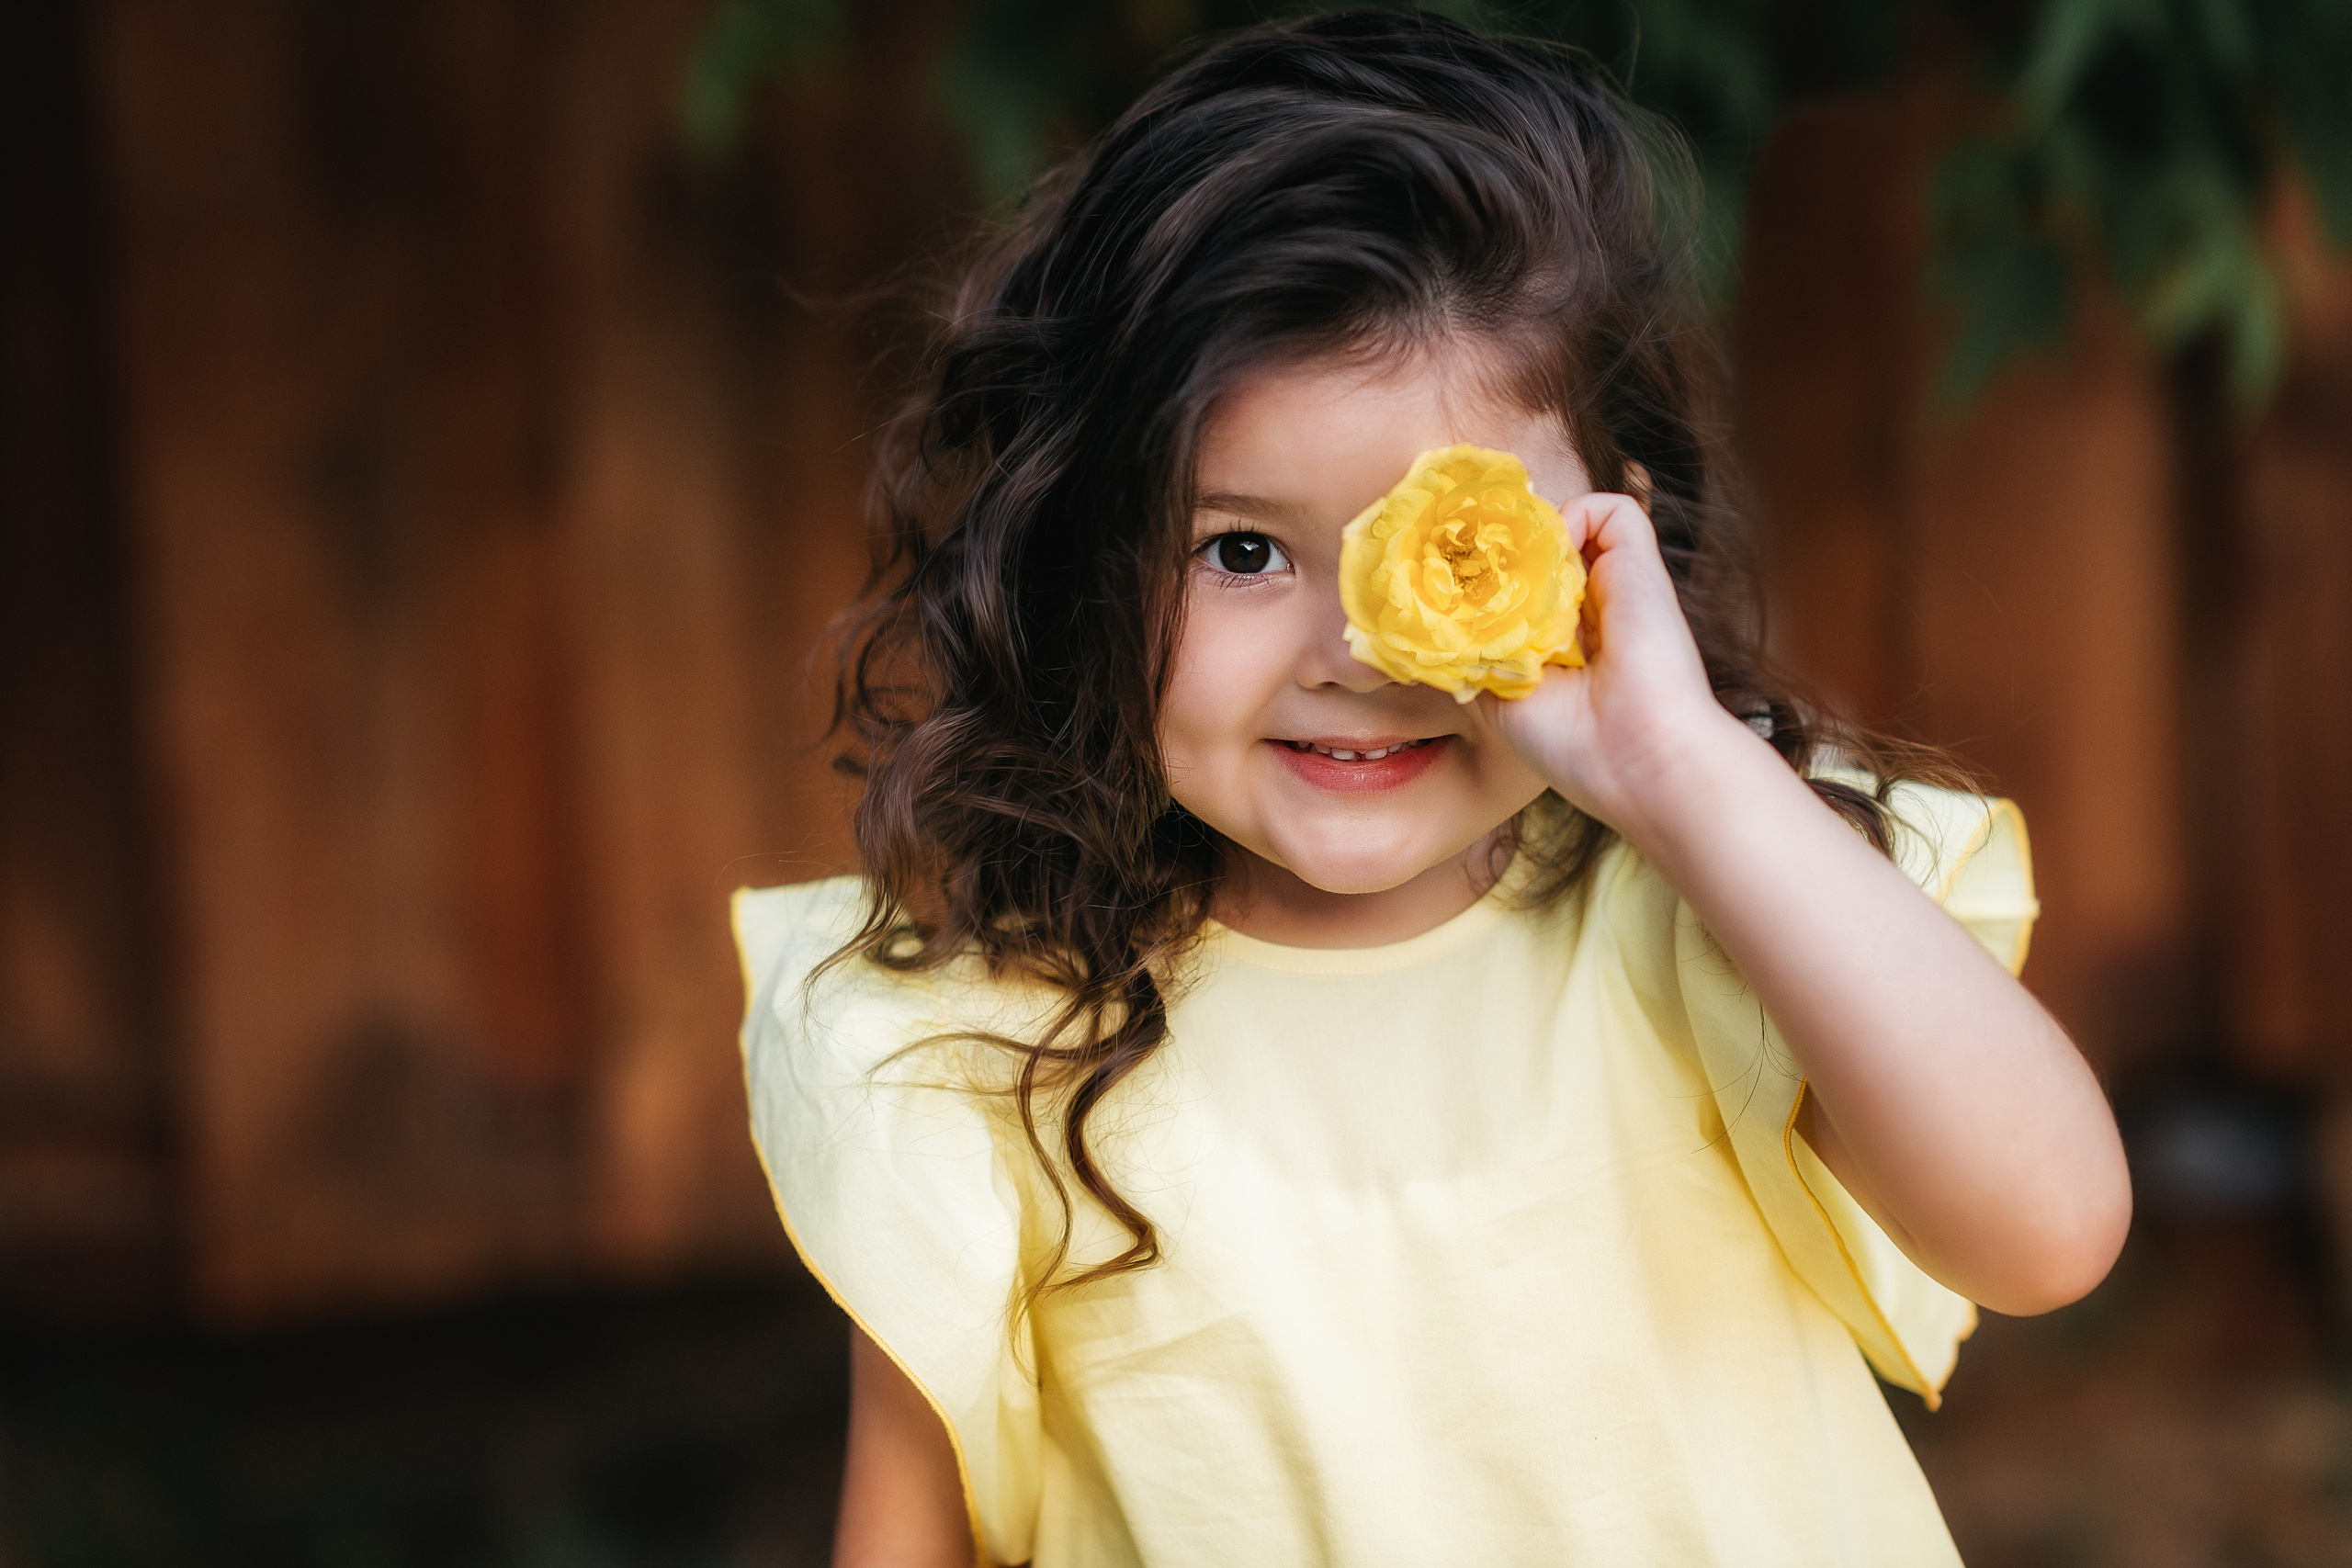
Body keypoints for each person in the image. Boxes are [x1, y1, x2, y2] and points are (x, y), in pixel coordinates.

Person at [731, 12, 2132, 1565]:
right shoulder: (981, 1055)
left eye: (1451, 546)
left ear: (1612, 546)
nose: (1357, 652)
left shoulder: (1724, 914)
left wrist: (1677, 771)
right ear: (1080, 557)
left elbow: (2049, 1234)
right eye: (1240, 550)